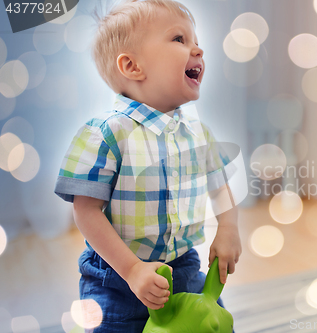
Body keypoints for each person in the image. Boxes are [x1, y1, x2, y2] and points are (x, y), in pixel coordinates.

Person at [54, 1, 242, 331]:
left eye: (195, 40)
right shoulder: (105, 134)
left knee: (211, 323)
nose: (197, 48)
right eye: (179, 39)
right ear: (132, 66)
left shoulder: (197, 132)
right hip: (116, 278)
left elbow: (219, 183)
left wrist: (227, 228)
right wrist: (131, 270)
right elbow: (86, 211)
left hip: (183, 268)